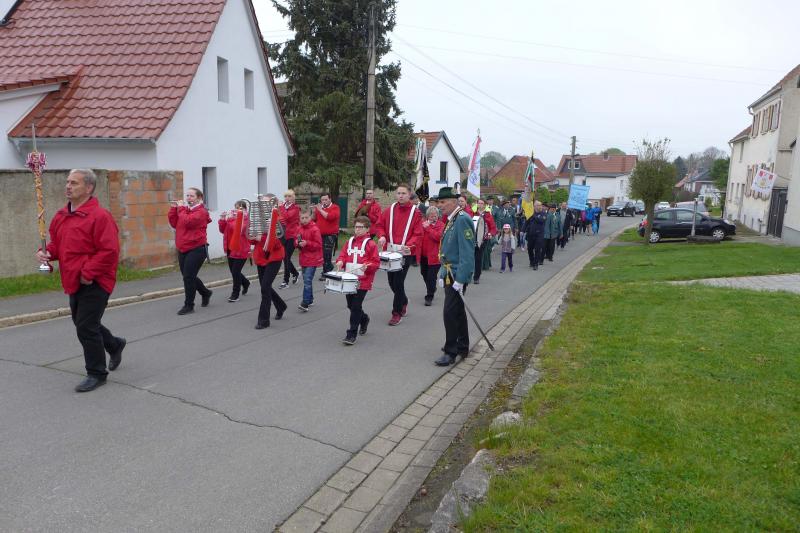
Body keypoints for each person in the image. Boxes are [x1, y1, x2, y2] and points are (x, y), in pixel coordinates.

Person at [36, 169, 126, 392]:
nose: (68, 186)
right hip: (73, 279)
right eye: (67, 182)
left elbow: (109, 251)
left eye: (74, 183)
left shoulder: (100, 216)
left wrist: (88, 273)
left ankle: (97, 373)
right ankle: (114, 344)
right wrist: (46, 252)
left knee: (85, 327)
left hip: (95, 280)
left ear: (89, 188)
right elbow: (59, 245)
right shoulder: (61, 216)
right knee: (83, 322)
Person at [433, 187, 475, 367]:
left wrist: (461, 279)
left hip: (457, 274)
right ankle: (462, 346)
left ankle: (451, 351)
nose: (439, 205)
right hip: (450, 272)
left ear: (453, 201)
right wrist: (443, 273)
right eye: (438, 202)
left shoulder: (462, 219)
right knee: (457, 311)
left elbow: (467, 253)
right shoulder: (452, 219)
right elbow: (448, 249)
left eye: (443, 202)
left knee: (449, 312)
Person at [376, 183, 423, 326]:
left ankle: (396, 313)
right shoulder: (389, 210)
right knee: (392, 282)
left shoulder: (416, 213)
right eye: (399, 193)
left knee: (398, 281)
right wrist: (382, 236)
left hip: (405, 253)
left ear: (409, 195)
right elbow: (379, 225)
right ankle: (404, 300)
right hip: (389, 252)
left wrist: (409, 245)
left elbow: (418, 233)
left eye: (403, 193)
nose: (401, 196)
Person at [335, 216, 380, 345]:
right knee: (350, 305)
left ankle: (351, 334)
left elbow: (376, 262)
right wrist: (340, 261)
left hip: (363, 280)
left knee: (355, 306)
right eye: (356, 227)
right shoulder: (349, 242)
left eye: (361, 227)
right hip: (349, 279)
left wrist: (368, 266)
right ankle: (364, 319)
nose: (358, 229)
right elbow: (343, 255)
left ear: (367, 229)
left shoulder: (371, 244)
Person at [168, 187, 212, 315]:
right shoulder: (185, 211)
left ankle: (189, 305)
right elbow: (175, 223)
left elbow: (188, 222)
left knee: (188, 277)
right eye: (187, 196)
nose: (188, 198)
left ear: (199, 198)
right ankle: (205, 292)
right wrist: (173, 209)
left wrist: (181, 209)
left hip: (197, 249)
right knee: (188, 276)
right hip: (183, 248)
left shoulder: (202, 212)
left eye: (192, 196)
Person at [252, 200, 287, 329]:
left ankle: (264, 320)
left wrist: (261, 238)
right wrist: (252, 236)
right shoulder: (257, 220)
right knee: (265, 287)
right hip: (261, 257)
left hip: (274, 258)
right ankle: (281, 305)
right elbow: (251, 238)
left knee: (265, 287)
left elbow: (279, 243)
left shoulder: (279, 220)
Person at [218, 200, 251, 302]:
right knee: (233, 271)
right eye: (236, 207)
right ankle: (245, 282)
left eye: (240, 208)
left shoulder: (246, 219)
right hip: (230, 248)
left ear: (245, 209)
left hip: (241, 248)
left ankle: (235, 294)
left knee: (235, 272)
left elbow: (240, 230)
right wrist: (223, 219)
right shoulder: (232, 218)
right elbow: (223, 230)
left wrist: (233, 218)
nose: (237, 210)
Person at [297, 209, 323, 312]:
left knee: (307, 280)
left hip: (313, 258)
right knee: (306, 280)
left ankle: (305, 303)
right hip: (303, 258)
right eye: (302, 218)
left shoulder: (315, 229)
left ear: (310, 217)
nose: (304, 220)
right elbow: (296, 240)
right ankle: (310, 299)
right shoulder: (299, 228)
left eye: (306, 217)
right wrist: (297, 243)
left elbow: (318, 244)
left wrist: (307, 243)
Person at [419, 206, 444, 306]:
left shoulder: (441, 225)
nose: (434, 217)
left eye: (435, 215)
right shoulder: (423, 223)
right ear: (427, 216)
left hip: (435, 256)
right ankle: (432, 288)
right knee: (423, 273)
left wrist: (428, 228)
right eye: (431, 215)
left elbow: (438, 237)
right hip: (423, 255)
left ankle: (429, 296)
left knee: (431, 277)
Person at [312, 193, 340, 276]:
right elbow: (314, 219)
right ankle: (329, 267)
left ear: (330, 199)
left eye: (326, 199)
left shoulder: (335, 207)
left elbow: (330, 217)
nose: (324, 201)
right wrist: (313, 212)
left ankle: (326, 272)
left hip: (330, 235)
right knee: (321, 254)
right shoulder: (320, 208)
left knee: (326, 253)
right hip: (319, 234)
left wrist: (320, 210)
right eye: (322, 200)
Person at [278, 189, 300, 288]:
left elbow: (286, 217)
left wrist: (280, 207)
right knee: (284, 257)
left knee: (286, 257)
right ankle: (295, 273)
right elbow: (279, 218)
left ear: (293, 198)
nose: (287, 198)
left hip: (292, 235)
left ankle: (285, 280)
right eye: (286, 196)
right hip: (283, 235)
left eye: (289, 196)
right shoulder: (283, 207)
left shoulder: (296, 208)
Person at [472, 198, 496, 284]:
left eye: (482, 203)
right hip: (472, 239)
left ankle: (476, 277)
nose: (480, 205)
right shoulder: (473, 213)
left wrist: (490, 234)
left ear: (485, 205)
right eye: (479, 203)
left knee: (478, 258)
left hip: (483, 239)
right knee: (471, 258)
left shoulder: (488, 215)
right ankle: (469, 274)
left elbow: (493, 227)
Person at [525, 201, 547, 269]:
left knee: (537, 249)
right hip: (531, 234)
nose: (540, 206)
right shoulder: (530, 213)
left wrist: (533, 215)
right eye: (538, 205)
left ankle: (536, 264)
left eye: (540, 205)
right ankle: (531, 261)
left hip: (539, 235)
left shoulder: (543, 213)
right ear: (534, 206)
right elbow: (526, 222)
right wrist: (522, 231)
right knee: (530, 249)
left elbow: (541, 220)